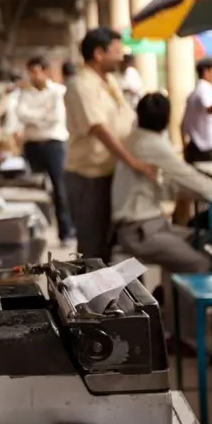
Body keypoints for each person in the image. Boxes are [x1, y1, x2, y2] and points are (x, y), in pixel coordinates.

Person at [65, 27, 155, 261]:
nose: (121, 56)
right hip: (89, 176)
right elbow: (99, 129)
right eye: (116, 51)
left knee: (112, 242)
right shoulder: (80, 85)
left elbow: (124, 119)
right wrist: (133, 162)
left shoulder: (110, 81)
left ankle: (115, 295)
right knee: (93, 245)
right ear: (98, 54)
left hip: (113, 172)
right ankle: (90, 296)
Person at [112, 93, 212, 273]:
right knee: (202, 264)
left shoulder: (134, 138)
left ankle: (171, 295)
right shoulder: (152, 144)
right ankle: (178, 298)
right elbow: (190, 178)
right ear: (168, 119)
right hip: (141, 231)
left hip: (149, 225)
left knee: (203, 238)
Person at [17, 56, 75, 245]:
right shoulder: (25, 94)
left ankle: (65, 232)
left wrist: (34, 117)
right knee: (34, 191)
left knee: (60, 189)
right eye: (30, 72)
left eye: (36, 72)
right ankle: (35, 234)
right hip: (32, 144)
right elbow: (21, 114)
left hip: (54, 144)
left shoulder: (58, 92)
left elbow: (55, 117)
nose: (33, 76)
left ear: (45, 71)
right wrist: (42, 115)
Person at [182, 57, 212, 164]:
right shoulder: (204, 90)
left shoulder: (193, 93)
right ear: (206, 72)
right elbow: (209, 108)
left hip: (194, 145)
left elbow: (182, 125)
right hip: (206, 147)